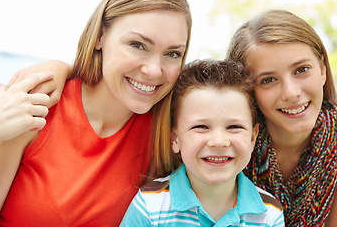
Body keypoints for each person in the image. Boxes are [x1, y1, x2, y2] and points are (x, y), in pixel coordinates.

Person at [0, 0, 192, 226]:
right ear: (100, 36)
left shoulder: (170, 134)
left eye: (172, 53)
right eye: (137, 44)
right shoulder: (39, 103)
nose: (154, 70)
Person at [120, 60, 285, 226]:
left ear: (252, 138)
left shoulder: (269, 214)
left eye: (234, 127)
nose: (219, 142)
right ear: (175, 139)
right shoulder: (149, 207)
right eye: (201, 127)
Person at [225, 9, 337, 226]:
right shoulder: (224, 144)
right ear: (246, 91)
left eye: (302, 69)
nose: (291, 93)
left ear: (322, 69)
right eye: (268, 80)